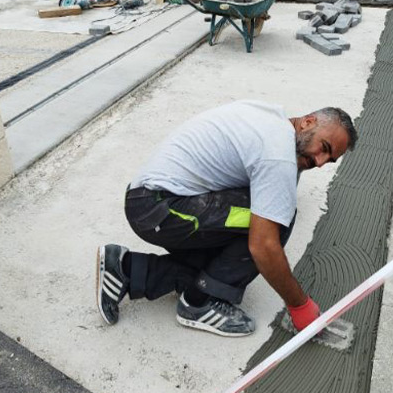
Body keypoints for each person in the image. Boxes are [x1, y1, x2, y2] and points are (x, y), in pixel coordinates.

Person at [96, 100, 357, 337]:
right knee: (274, 227)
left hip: (152, 198)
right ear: (308, 122)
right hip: (158, 207)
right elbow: (263, 246)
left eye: (329, 160)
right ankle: (200, 303)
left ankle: (127, 270)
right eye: (324, 148)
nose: (321, 162)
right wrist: (300, 305)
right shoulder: (277, 153)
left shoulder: (272, 120)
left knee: (229, 256)